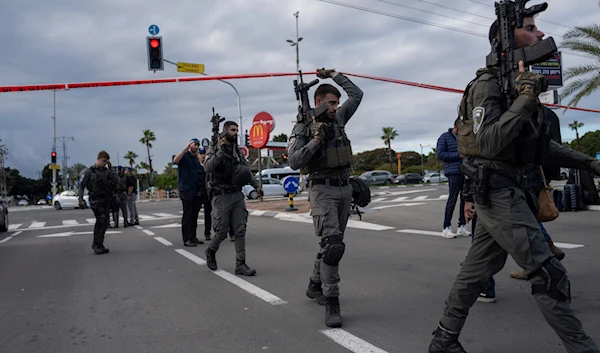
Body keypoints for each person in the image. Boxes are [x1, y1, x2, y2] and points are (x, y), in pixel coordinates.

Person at [428, 6, 600, 352]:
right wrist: (524, 97)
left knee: (477, 272)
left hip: (512, 189)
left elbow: (541, 146)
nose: (540, 35)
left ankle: (444, 339)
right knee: (548, 274)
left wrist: (590, 163)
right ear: (508, 38)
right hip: (497, 190)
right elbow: (490, 142)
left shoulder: (519, 88)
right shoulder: (488, 85)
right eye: (532, 28)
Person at [287, 68, 363, 328]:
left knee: (331, 244)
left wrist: (334, 75)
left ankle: (314, 285)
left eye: (337, 103)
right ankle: (332, 301)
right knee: (333, 246)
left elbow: (357, 94)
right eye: (331, 103)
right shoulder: (304, 127)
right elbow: (293, 161)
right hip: (322, 189)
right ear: (318, 102)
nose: (336, 107)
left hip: (344, 188)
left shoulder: (339, 118)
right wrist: (316, 142)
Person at [204, 121, 262, 276]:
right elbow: (207, 167)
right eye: (232, 130)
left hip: (237, 194)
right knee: (221, 231)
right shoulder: (215, 149)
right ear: (224, 132)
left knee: (240, 230)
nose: (236, 133)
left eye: (237, 130)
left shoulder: (237, 150)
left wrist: (256, 186)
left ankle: (240, 264)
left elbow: (246, 170)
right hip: (221, 196)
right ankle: (211, 251)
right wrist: (220, 153)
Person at [78, 151, 120, 255]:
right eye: (103, 161)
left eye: (106, 162)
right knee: (100, 220)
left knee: (105, 222)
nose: (104, 163)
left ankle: (100, 244)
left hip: (105, 199)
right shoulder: (89, 171)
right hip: (95, 199)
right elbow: (81, 186)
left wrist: (111, 169)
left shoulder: (107, 171)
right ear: (98, 159)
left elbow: (117, 181)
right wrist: (80, 199)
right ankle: (96, 244)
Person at [436, 123, 470, 238]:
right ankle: (446, 227)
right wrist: (458, 155)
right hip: (453, 172)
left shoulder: (464, 137)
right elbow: (440, 154)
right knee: (453, 198)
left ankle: (462, 226)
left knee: (465, 199)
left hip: (466, 171)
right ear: (455, 127)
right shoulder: (444, 137)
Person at [173, 138, 204, 247]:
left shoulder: (195, 158)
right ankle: (186, 239)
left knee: (194, 215)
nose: (196, 147)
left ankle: (192, 236)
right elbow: (176, 160)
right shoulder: (185, 156)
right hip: (187, 189)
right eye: (194, 144)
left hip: (196, 189)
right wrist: (185, 148)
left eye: (197, 145)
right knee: (187, 215)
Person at [197, 147, 212, 241]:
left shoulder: (208, 166)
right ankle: (192, 235)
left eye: (204, 154)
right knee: (195, 214)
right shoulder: (196, 166)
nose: (203, 156)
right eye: (201, 154)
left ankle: (207, 233)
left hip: (207, 192)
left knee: (208, 213)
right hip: (198, 192)